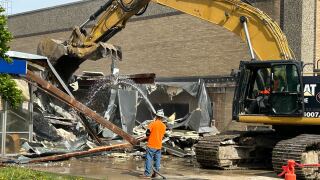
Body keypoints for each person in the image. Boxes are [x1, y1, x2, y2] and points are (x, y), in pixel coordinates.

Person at [141, 109, 167, 178]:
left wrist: (148, 136)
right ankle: (156, 173)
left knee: (149, 159)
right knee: (157, 160)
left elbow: (147, 134)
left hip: (151, 145)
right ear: (162, 117)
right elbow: (162, 135)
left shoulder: (152, 124)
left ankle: (147, 174)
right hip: (158, 145)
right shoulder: (164, 126)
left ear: (156, 116)